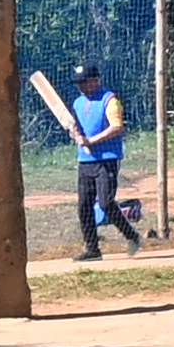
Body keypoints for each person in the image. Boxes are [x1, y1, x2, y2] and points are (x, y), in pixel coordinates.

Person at [28, 59, 141, 257]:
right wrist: (77, 136)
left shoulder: (110, 99)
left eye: (85, 81)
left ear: (96, 80)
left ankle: (131, 235)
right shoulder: (78, 103)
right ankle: (92, 248)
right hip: (85, 161)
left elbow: (117, 127)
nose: (81, 86)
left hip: (107, 158)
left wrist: (91, 142)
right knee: (84, 206)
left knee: (106, 202)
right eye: (79, 83)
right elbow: (76, 129)